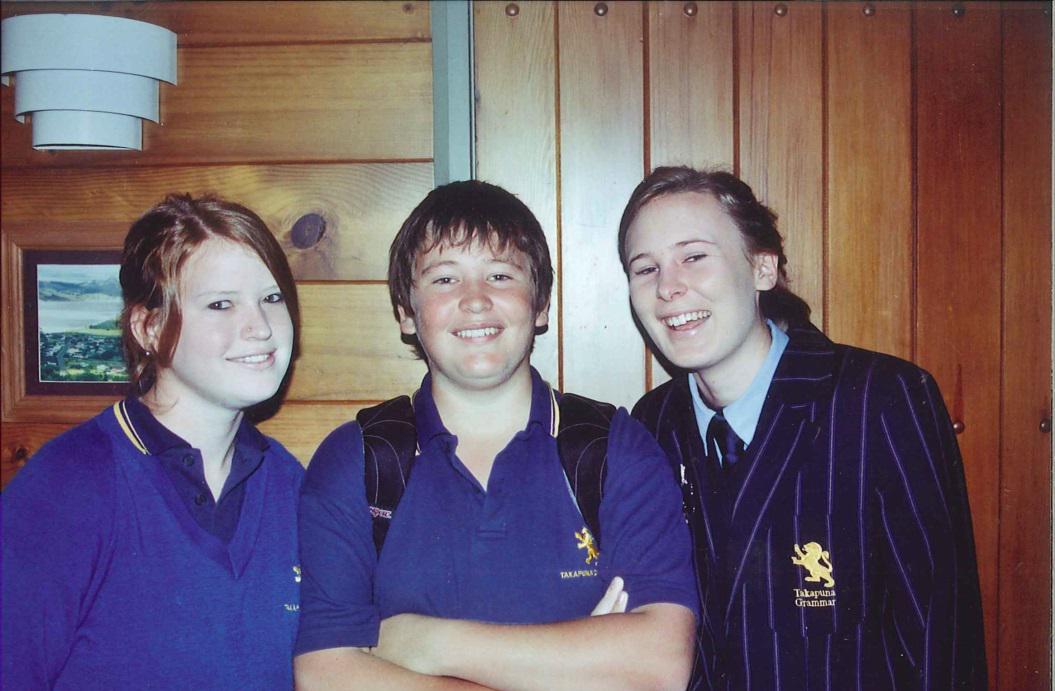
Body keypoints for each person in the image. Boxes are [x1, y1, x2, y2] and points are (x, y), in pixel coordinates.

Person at [294, 180, 698, 689]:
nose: (475, 300)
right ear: (406, 313)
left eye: (501, 275)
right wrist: (574, 669)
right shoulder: (358, 460)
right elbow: (324, 675)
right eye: (444, 279)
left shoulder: (613, 449)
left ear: (540, 304)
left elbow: (660, 664)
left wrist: (426, 643)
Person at [617, 166, 988, 690]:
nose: (669, 287)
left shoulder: (880, 399)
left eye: (694, 256)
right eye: (645, 268)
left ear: (762, 268)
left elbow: (941, 640)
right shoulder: (651, 426)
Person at [1, 195, 305, 688]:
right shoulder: (67, 486)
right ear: (149, 327)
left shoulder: (290, 484)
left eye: (271, 298)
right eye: (221, 304)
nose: (261, 328)